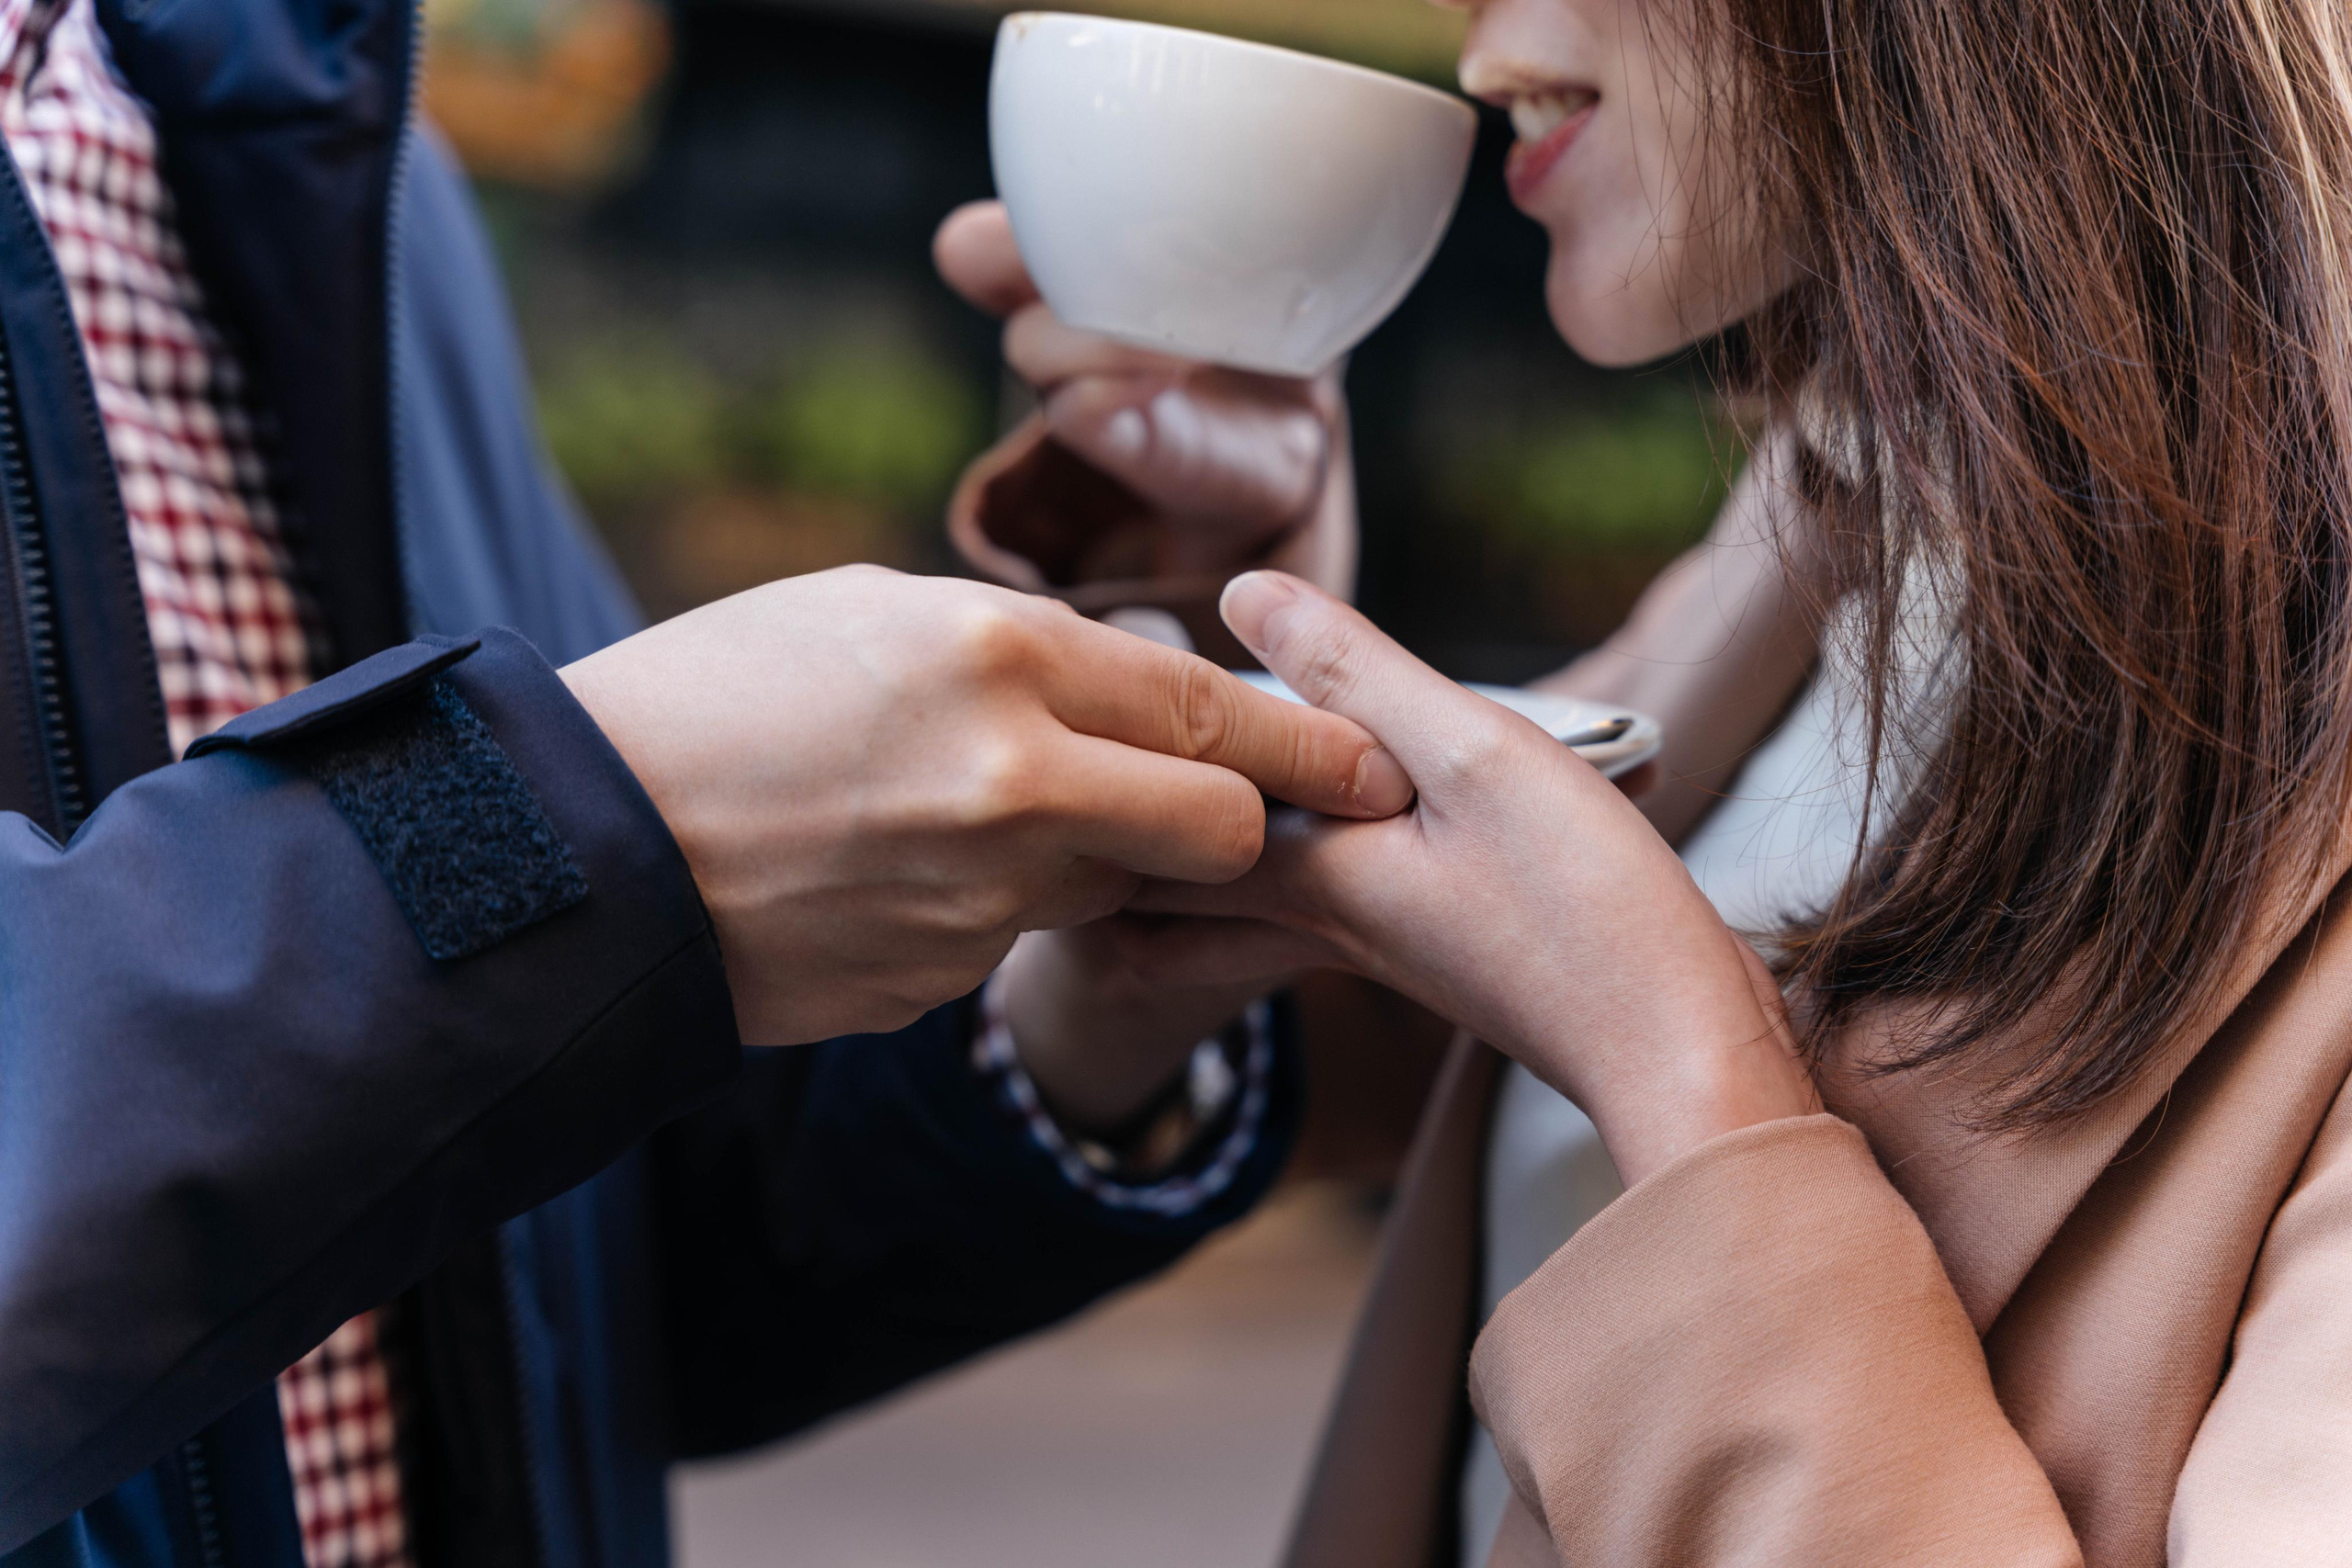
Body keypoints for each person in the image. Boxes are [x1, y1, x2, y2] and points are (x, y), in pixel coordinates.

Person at [0, 1, 1421, 1562]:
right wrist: (561, 848)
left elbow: (583, 1272)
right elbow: (546, 908)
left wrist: (1082, 991)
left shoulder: (297, 131)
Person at [937, 0, 2352, 1561]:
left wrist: (1690, 1081)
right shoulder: (1847, 510)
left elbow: (1680, 1032)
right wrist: (1208, 769)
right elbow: (1517, 1072)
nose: (1476, 50)